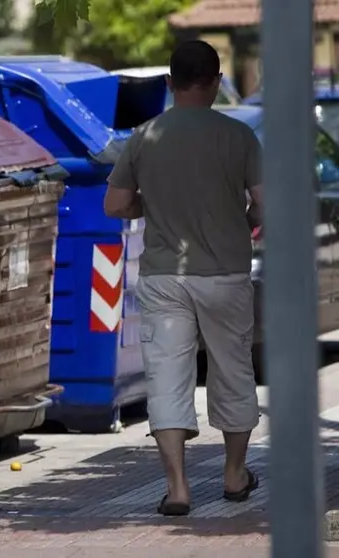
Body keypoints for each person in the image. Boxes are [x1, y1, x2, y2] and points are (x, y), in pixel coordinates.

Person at [103, 39, 263, 517]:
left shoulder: (145, 136)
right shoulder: (239, 136)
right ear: (217, 82)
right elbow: (266, 204)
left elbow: (115, 204)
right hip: (226, 274)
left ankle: (177, 488)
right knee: (233, 371)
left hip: (164, 277)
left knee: (168, 378)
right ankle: (234, 474)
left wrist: (148, 204)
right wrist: (244, 221)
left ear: (170, 83)